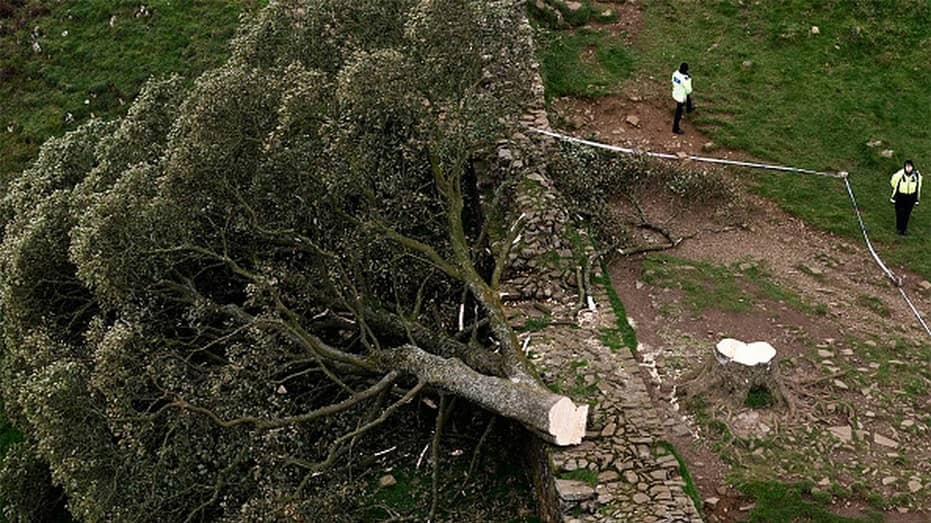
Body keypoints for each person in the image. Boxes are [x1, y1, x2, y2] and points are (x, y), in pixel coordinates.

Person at [890, 159, 922, 235]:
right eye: (907, 167)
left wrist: (916, 198)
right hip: (900, 196)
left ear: (912, 167)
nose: (908, 168)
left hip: (910, 197)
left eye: (910, 167)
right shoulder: (900, 174)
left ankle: (904, 229)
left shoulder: (916, 175)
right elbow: (893, 182)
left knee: (907, 213)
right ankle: (899, 228)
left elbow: (918, 187)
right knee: (899, 212)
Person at [671, 62, 694, 135]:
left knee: (688, 98)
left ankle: (689, 108)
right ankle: (675, 128)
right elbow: (689, 90)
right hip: (681, 96)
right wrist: (688, 79)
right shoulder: (685, 79)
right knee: (678, 112)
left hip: (676, 92)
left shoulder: (675, 73)